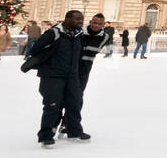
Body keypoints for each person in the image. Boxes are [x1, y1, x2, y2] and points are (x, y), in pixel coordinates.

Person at [28, 10, 89, 147]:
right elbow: (34, 50)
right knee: (52, 106)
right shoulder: (54, 33)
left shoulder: (78, 35)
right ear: (67, 19)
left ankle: (74, 132)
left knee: (74, 104)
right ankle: (46, 136)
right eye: (77, 19)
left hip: (72, 75)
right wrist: (51, 57)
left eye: (81, 19)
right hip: (52, 76)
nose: (80, 22)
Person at [60, 13, 113, 137]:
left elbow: (99, 50)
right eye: (94, 22)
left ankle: (68, 124)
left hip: (84, 70)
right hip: (69, 67)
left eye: (100, 24)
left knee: (77, 98)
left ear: (103, 25)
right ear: (90, 22)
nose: (96, 25)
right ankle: (57, 124)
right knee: (62, 97)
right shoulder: (79, 32)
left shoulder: (105, 36)